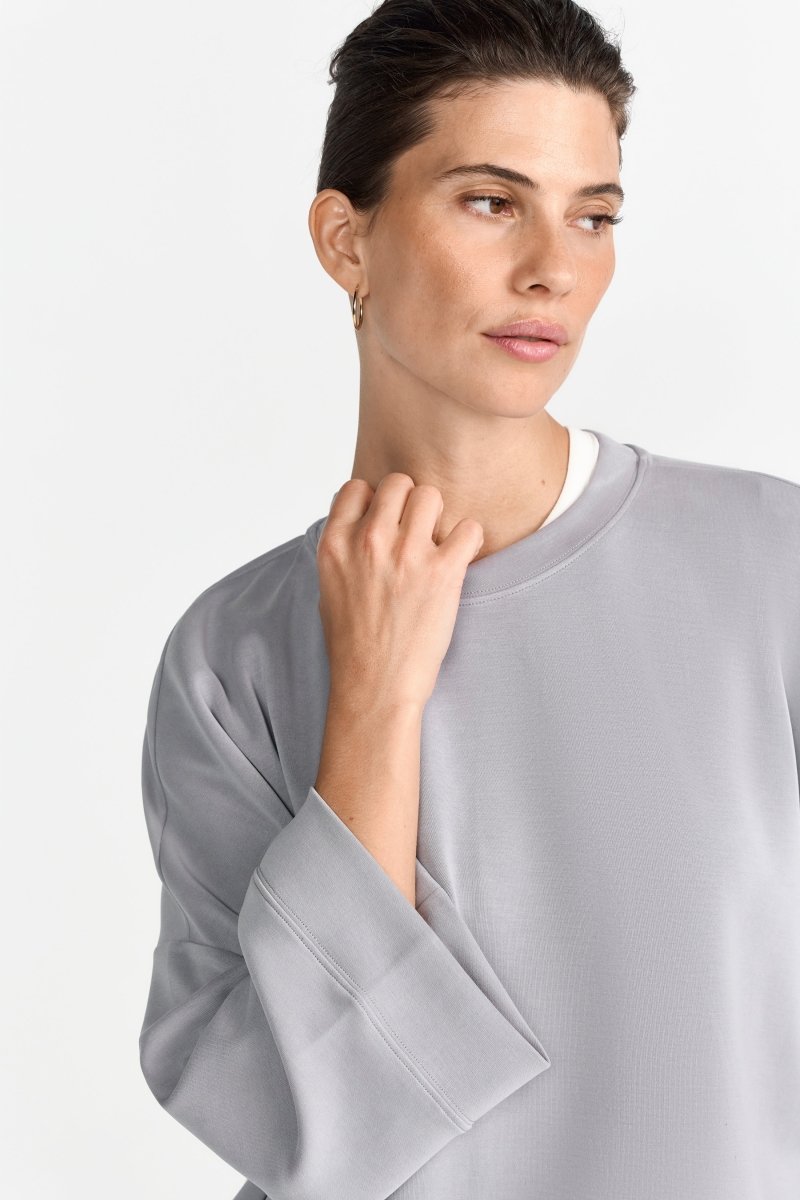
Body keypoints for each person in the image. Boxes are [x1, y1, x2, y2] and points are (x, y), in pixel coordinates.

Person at [138, 2, 800, 1197]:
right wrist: (373, 702)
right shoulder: (232, 658)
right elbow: (300, 1127)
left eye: (591, 215)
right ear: (345, 240)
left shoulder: (768, 567)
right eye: (491, 202)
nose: (554, 266)